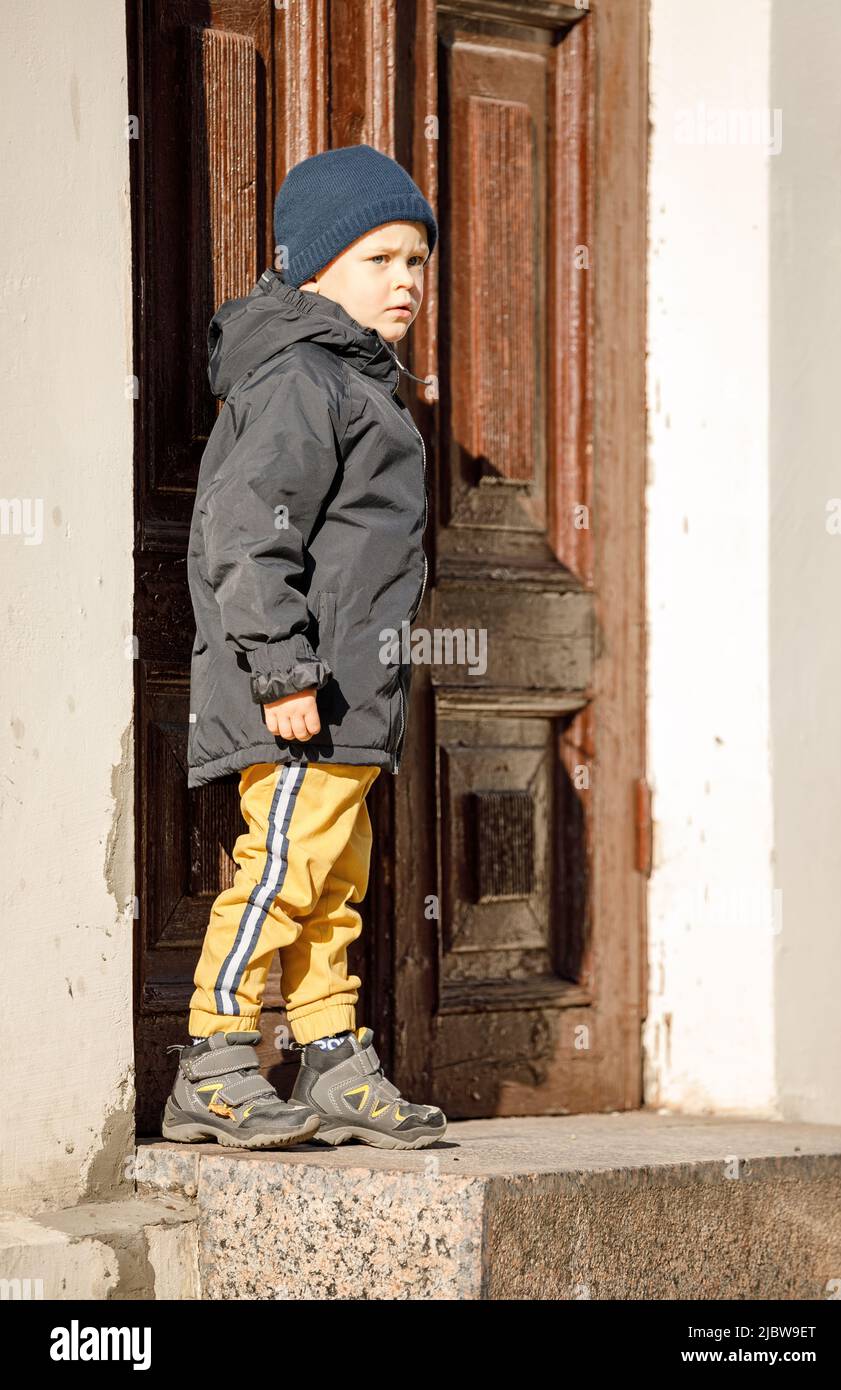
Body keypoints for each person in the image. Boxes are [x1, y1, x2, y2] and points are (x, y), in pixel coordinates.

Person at [161, 145, 446, 1151]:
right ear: (312, 266)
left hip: (350, 701)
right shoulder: (299, 378)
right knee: (280, 868)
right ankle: (214, 1055)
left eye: (416, 260)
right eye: (378, 258)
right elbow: (248, 536)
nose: (405, 279)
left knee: (333, 884)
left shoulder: (365, 384)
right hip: (297, 696)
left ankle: (329, 1054)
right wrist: (281, 668)